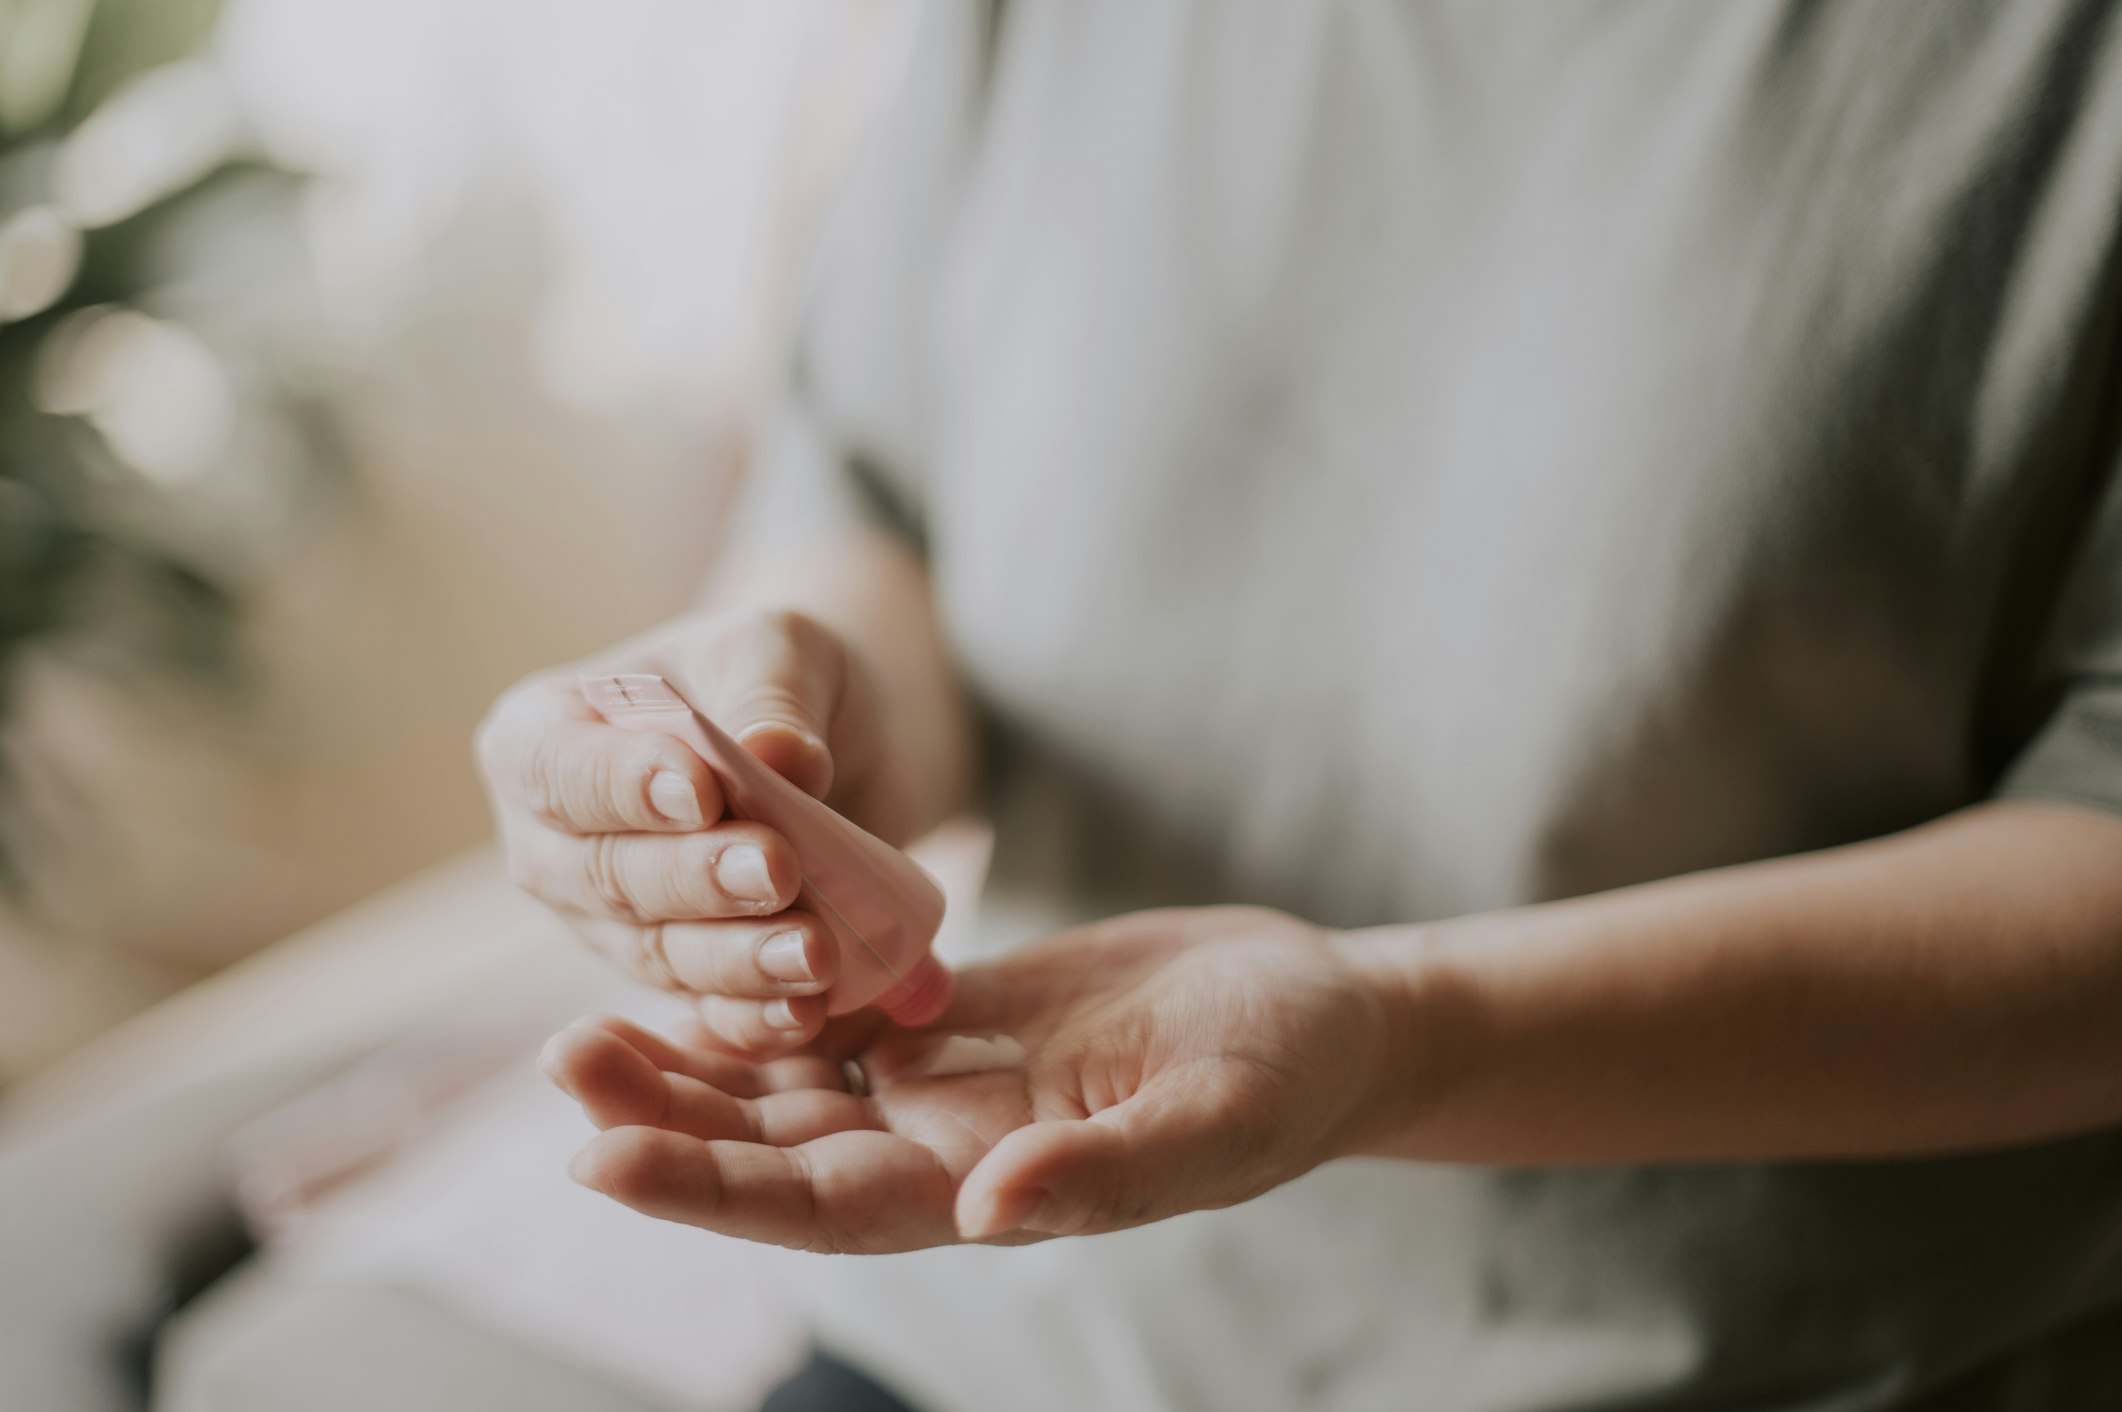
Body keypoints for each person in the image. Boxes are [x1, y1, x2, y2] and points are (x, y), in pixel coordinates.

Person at [478, 2, 2122, 1408]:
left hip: (1734, 1371)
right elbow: (883, 502)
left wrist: (1407, 1035)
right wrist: (768, 757)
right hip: (987, 1303)